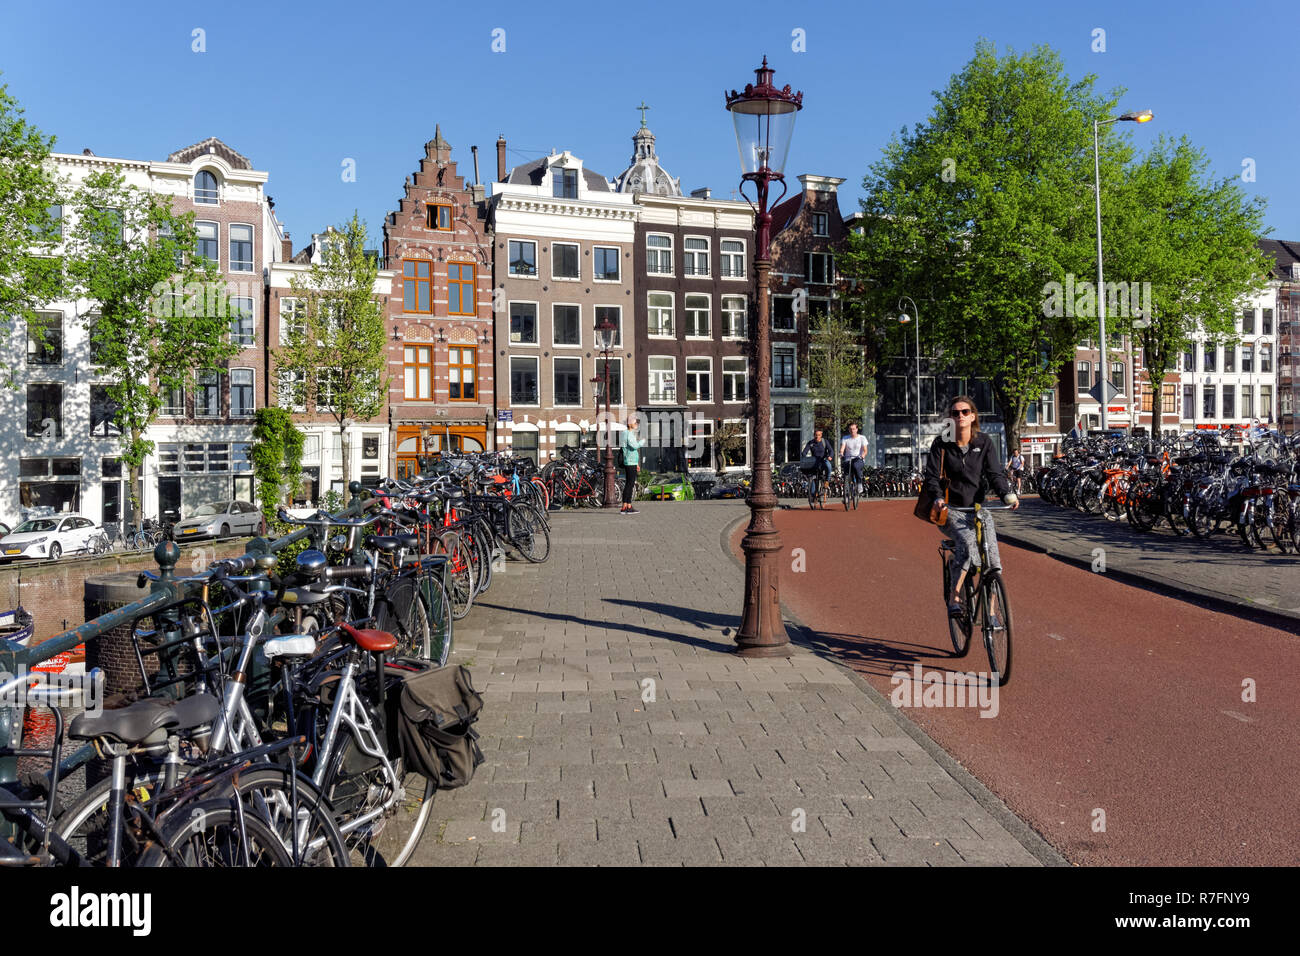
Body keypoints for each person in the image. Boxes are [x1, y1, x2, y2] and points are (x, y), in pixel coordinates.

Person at [923, 395, 1019, 618]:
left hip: (977, 509)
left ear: (973, 416)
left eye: (965, 412)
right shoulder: (942, 444)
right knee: (967, 544)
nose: (960, 416)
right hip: (951, 510)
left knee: (993, 561)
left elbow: (995, 473)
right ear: (950, 418)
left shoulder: (984, 442)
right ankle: (954, 597)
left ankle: (992, 613)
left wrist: (1006, 494)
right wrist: (937, 497)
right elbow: (932, 477)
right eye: (955, 413)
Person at [801, 429, 835, 498]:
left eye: (819, 435)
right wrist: (804, 456)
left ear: (821, 435)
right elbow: (804, 451)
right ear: (814, 435)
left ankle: (827, 480)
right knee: (812, 476)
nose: (817, 437)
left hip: (823, 460)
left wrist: (830, 456)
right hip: (815, 461)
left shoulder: (824, 442)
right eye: (816, 435)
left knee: (828, 466)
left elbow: (831, 451)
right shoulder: (811, 443)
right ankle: (813, 494)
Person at [619, 415, 641, 515]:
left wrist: (636, 463)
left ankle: (627, 505)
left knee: (629, 484)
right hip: (630, 462)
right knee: (630, 484)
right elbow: (635, 446)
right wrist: (643, 441)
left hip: (631, 462)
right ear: (630, 424)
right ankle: (626, 506)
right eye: (635, 423)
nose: (637, 424)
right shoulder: (628, 434)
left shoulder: (626, 433)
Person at [839, 422, 868, 495]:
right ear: (849, 430)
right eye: (851, 429)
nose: (852, 430)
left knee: (856, 466)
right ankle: (846, 490)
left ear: (857, 429)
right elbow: (842, 448)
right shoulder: (845, 438)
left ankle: (859, 484)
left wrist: (862, 455)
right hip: (848, 459)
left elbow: (865, 450)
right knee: (845, 472)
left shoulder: (862, 438)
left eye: (854, 429)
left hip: (858, 458)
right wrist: (841, 453)